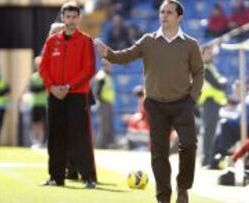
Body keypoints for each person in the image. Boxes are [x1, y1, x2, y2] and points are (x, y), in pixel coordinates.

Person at [96, 1, 203, 202]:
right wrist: (107, 53)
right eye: (162, 11)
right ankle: (163, 197)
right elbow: (125, 56)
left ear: (179, 17)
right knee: (159, 153)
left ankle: (183, 188)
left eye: (169, 12)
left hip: (182, 104)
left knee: (189, 146)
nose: (163, 15)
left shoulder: (190, 44)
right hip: (155, 105)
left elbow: (199, 72)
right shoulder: (148, 41)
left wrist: (193, 97)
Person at [39, 1, 97, 188]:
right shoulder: (51, 41)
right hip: (54, 94)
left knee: (80, 135)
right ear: (62, 18)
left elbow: (88, 69)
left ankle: (88, 177)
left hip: (77, 94)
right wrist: (52, 87)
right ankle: (56, 177)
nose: (71, 20)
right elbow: (43, 67)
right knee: (55, 136)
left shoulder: (86, 41)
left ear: (79, 18)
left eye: (74, 17)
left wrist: (69, 86)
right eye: (68, 17)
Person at [197, 45, 227, 167]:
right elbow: (218, 85)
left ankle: (208, 158)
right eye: (207, 53)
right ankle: (206, 159)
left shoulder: (211, 67)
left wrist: (222, 82)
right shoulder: (204, 68)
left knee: (211, 130)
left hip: (214, 102)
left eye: (211, 53)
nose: (210, 55)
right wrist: (223, 82)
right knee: (209, 131)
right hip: (209, 102)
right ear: (202, 55)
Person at [94, 59, 116, 149]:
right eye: (109, 65)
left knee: (107, 126)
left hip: (108, 103)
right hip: (104, 103)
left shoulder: (107, 75)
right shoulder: (102, 76)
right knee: (104, 126)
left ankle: (106, 145)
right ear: (105, 65)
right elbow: (97, 91)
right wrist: (101, 101)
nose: (111, 66)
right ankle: (100, 145)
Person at [29, 56, 47, 148]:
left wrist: (39, 88)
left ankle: (42, 141)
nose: (38, 66)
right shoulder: (33, 76)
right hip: (35, 103)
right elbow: (32, 88)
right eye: (36, 64)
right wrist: (41, 88)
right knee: (35, 123)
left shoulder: (46, 75)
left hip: (44, 103)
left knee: (44, 123)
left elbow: (46, 86)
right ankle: (35, 141)